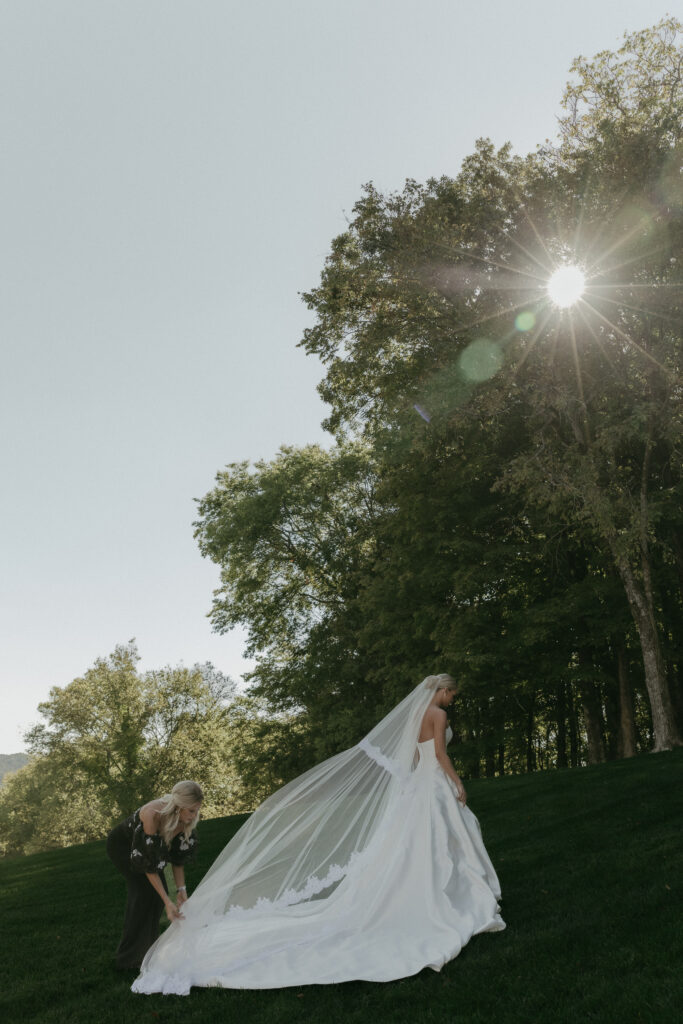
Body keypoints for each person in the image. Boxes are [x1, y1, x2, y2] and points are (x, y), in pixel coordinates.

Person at [132, 675, 504, 995]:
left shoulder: (415, 716)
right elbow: (438, 753)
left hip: (418, 785)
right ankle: (452, 893)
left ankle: (434, 887)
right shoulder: (437, 714)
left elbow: (416, 757)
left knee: (420, 843)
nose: (452, 700)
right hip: (433, 784)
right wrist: (455, 781)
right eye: (452, 694)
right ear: (443, 691)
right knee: (441, 838)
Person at [107, 780, 203, 969]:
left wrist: (181, 891)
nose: (194, 816)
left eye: (197, 810)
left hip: (144, 852)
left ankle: (146, 951)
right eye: (191, 810)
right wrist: (168, 901)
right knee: (144, 893)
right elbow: (148, 865)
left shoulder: (183, 820)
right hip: (122, 846)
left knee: (157, 895)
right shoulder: (152, 814)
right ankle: (128, 959)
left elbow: (177, 860)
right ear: (179, 806)